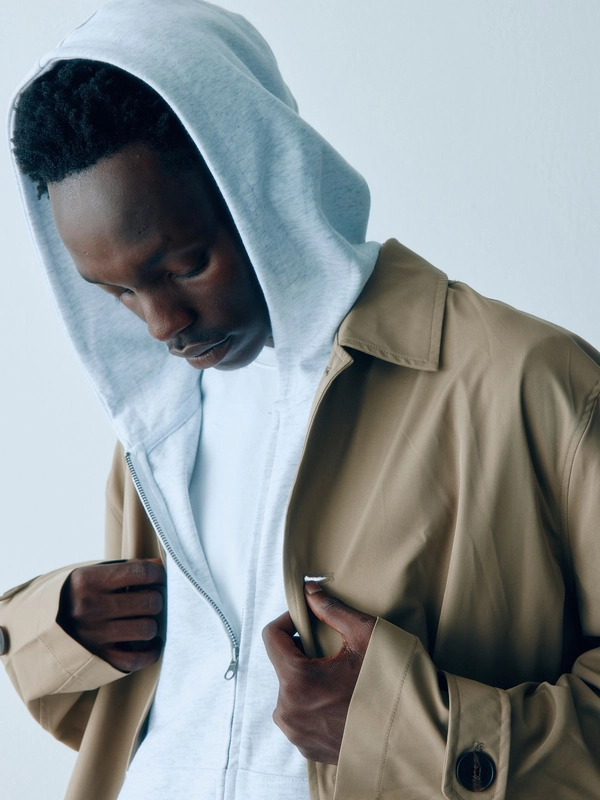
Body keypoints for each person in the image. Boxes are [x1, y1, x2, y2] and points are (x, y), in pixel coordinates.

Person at [2, 1, 600, 798]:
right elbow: (199, 708)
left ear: (264, 180)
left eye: (184, 266)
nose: (162, 325)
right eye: (116, 292)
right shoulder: (161, 426)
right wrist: (54, 625)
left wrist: (407, 731)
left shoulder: (526, 381)